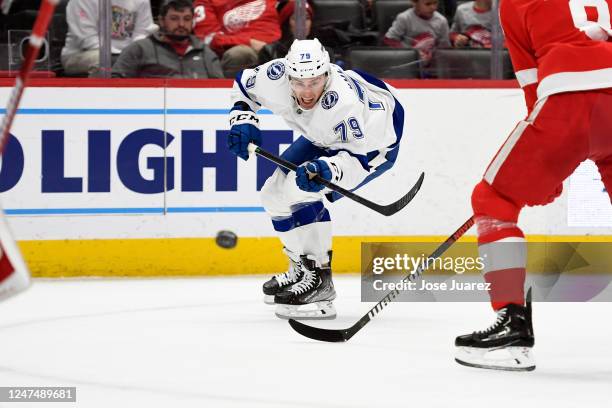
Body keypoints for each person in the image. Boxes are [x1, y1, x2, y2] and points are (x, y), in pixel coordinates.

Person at [455, 0, 612, 371]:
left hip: (567, 96)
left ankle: (511, 327)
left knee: (494, 196)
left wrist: (542, 168)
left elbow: (531, 81)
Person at [227, 38, 407, 320]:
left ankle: (320, 281)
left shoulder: (345, 106)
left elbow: (361, 157)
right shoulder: (275, 77)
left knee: (300, 189)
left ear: (327, 74)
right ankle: (299, 268)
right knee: (273, 194)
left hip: (373, 146)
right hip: (322, 135)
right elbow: (243, 86)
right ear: (288, 75)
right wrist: (243, 119)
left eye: (314, 82)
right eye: (299, 82)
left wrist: (330, 170)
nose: (307, 91)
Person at [112, 0, 223, 78]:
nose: (181, 24)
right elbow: (116, 85)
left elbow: (220, 92)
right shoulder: (139, 49)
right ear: (161, 20)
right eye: (174, 18)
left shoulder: (206, 53)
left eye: (187, 19)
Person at [62, 0, 157, 76]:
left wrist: (132, 55)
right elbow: (87, 39)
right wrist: (122, 58)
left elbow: (142, 33)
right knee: (102, 61)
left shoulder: (142, 1)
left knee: (154, 60)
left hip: (124, 55)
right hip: (81, 55)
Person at [192, 0, 281, 78]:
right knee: (240, 54)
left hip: (277, 46)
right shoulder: (206, 2)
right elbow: (209, 39)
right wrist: (250, 42)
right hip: (242, 52)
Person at [383, 0, 450, 63]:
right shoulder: (404, 18)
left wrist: (433, 55)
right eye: (428, 4)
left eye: (435, 2)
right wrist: (411, 53)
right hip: (407, 61)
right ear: (414, 2)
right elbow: (389, 39)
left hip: (431, 63)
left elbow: (444, 47)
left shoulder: (442, 21)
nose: (433, 7)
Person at [257, 0, 314, 64]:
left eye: (307, 18)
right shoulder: (269, 51)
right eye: (296, 18)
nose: (303, 23)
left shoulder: (322, 50)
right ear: (286, 23)